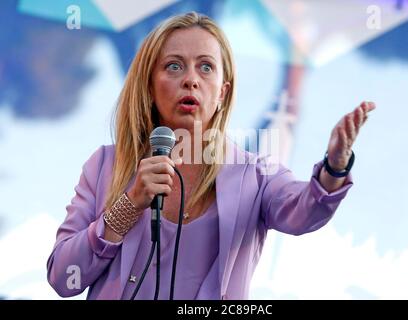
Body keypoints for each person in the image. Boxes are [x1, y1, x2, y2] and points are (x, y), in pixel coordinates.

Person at [47, 11, 376, 300]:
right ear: (149, 84)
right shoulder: (105, 165)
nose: (191, 80)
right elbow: (64, 278)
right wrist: (128, 205)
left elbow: (304, 213)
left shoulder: (256, 174)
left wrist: (334, 168)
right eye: (174, 66)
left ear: (222, 92)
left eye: (206, 67)